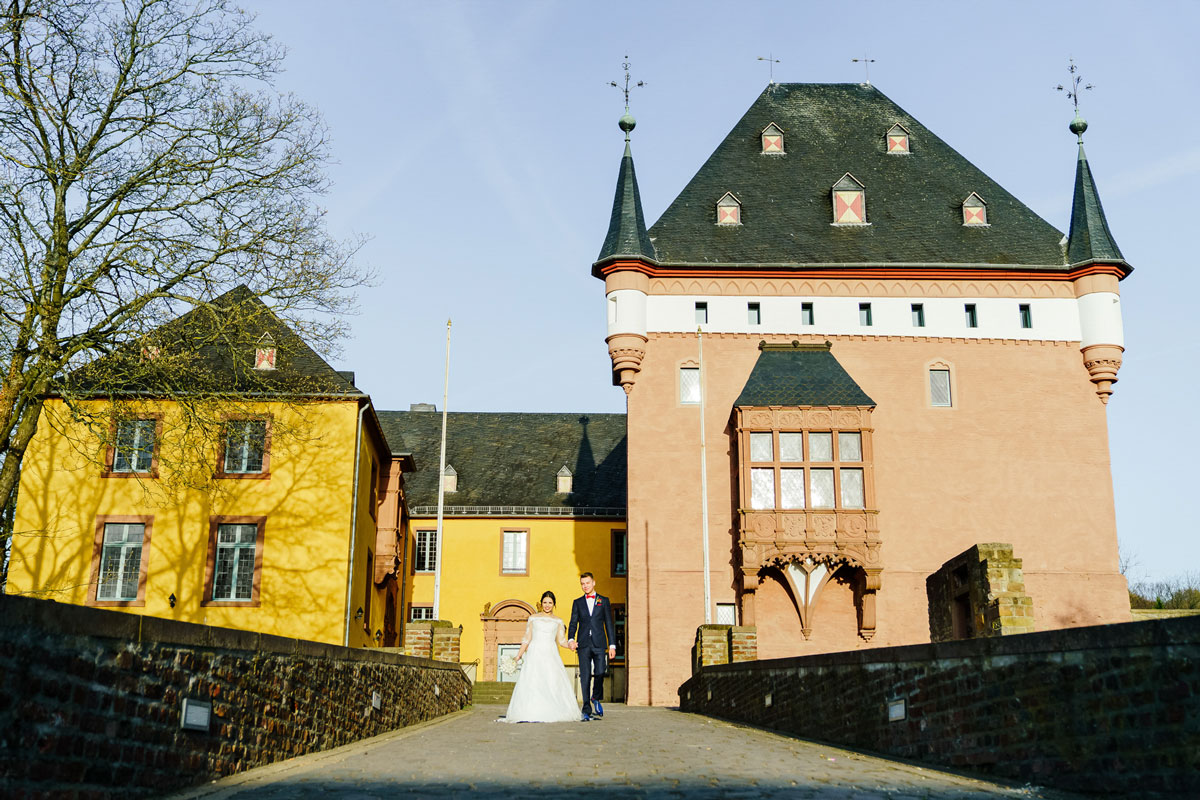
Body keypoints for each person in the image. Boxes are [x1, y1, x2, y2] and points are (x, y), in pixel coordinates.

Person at [501, 590, 580, 723]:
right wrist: (518, 656)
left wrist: (571, 645)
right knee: (533, 681)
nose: (547, 605)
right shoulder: (533, 618)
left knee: (551, 681)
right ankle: (531, 711)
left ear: (554, 604)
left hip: (550, 654)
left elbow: (561, 641)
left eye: (550, 602)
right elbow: (527, 638)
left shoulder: (558, 621)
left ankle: (553, 710)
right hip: (535, 653)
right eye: (545, 602)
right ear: (541, 603)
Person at [567, 572, 616, 722]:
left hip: (599, 644)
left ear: (593, 583)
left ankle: (596, 696)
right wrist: (571, 639)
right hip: (583, 645)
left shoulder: (604, 601)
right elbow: (573, 622)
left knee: (601, 671)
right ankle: (586, 708)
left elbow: (608, 624)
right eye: (582, 584)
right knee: (585, 677)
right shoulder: (577, 602)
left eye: (587, 583)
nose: (585, 586)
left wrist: (612, 645)